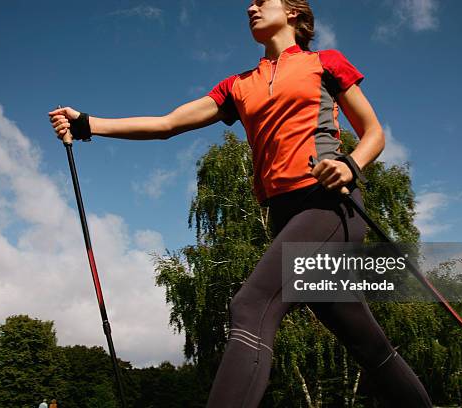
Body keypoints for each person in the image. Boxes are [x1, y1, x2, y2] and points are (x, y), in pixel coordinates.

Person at [48, 1, 432, 406]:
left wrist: (351, 165)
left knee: (251, 307)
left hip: (328, 207)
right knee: (367, 344)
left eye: (262, 0)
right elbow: (168, 124)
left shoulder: (325, 63)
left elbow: (373, 132)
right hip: (285, 215)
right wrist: (88, 124)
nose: (250, 6)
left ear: (294, 13)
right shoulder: (237, 85)